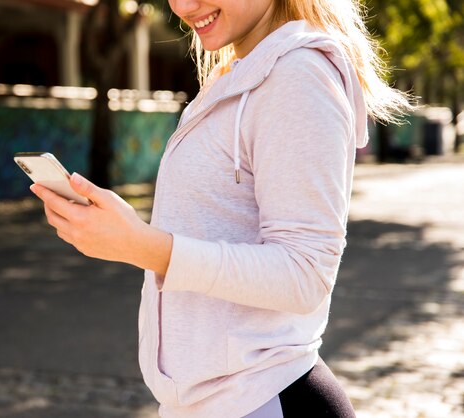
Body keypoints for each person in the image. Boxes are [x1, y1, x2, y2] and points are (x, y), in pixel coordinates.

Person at [30, 0, 413, 416]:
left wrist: (143, 246)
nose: (183, 6)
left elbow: (306, 274)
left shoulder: (298, 76)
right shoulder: (234, 73)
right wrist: (126, 236)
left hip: (264, 400)